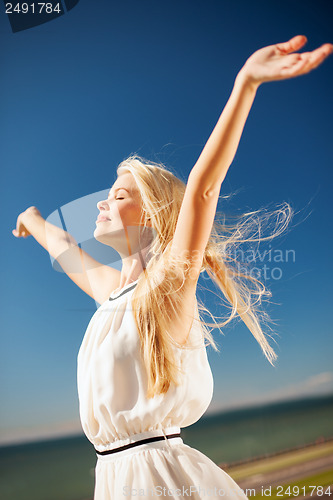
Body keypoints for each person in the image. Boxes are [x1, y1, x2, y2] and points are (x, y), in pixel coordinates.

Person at [13, 36, 332, 499]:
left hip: (159, 480)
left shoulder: (165, 285)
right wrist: (31, 219)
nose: (102, 202)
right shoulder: (111, 296)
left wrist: (246, 83)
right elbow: (62, 244)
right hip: (112, 481)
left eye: (120, 195)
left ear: (154, 214)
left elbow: (203, 186)